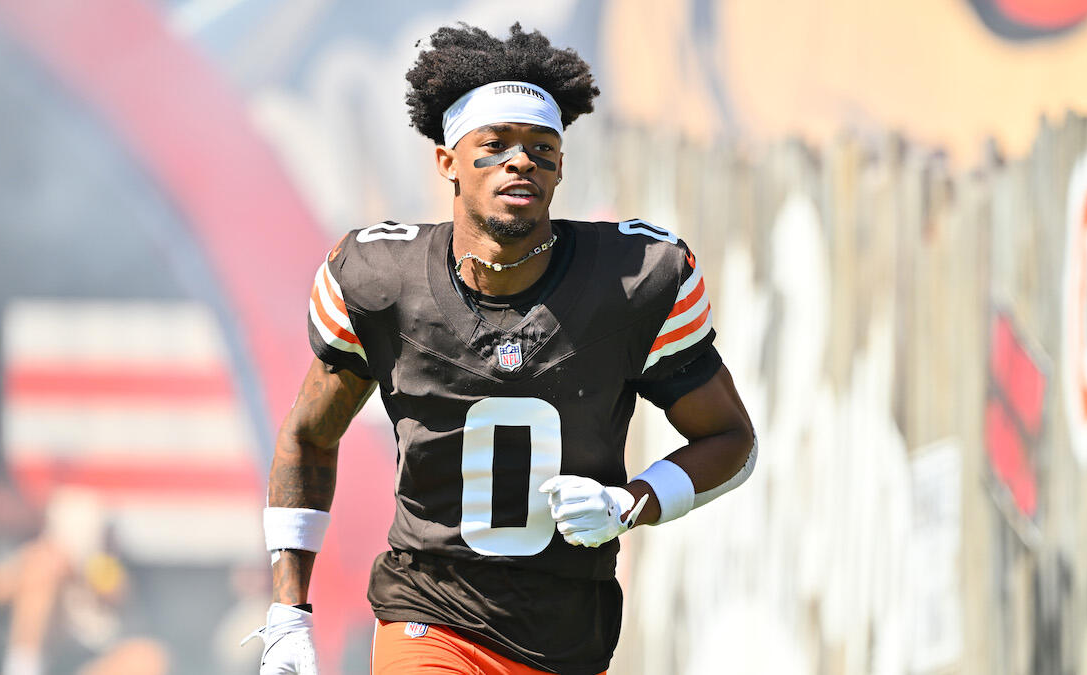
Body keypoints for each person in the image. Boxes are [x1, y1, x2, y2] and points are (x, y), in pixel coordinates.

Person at [243, 22, 756, 675]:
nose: (521, 161)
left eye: (542, 148)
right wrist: (288, 611)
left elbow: (731, 439)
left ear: (561, 167)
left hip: (567, 638)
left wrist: (631, 502)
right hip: (429, 617)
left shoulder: (632, 280)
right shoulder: (382, 279)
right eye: (495, 145)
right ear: (447, 161)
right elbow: (308, 434)